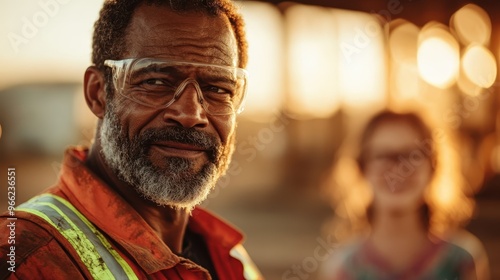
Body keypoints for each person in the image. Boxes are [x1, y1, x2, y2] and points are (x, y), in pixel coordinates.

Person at [0, 0, 263, 279]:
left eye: (217, 89)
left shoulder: (229, 256)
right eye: (156, 82)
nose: (190, 114)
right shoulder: (23, 258)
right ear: (98, 93)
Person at [318, 110, 489, 280]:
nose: (398, 170)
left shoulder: (462, 261)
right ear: (361, 167)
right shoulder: (342, 268)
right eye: (383, 156)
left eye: (411, 156)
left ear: (433, 168)